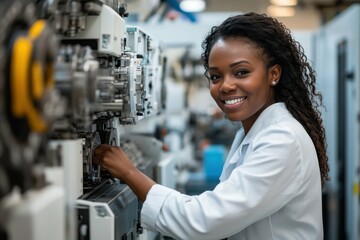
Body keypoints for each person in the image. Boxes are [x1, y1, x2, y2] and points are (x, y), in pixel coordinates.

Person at [93, 12, 329, 240]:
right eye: (216, 77)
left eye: (241, 72)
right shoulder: (254, 132)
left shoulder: (282, 139)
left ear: (273, 74)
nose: (225, 86)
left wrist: (129, 172)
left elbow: (204, 221)